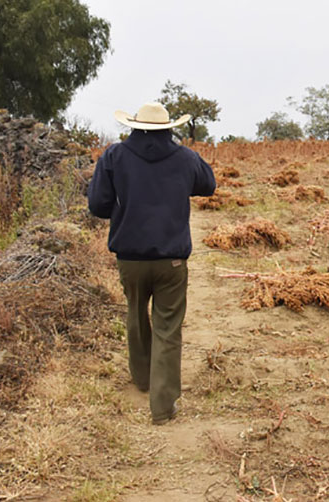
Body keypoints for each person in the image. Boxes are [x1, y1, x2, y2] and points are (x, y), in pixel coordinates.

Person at [87, 102, 216, 425]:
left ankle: (142, 378)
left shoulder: (114, 157)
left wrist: (124, 208)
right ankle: (162, 406)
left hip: (130, 258)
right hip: (171, 260)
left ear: (133, 126)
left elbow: (98, 205)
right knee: (168, 327)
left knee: (135, 315)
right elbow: (208, 185)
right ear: (168, 128)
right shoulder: (184, 157)